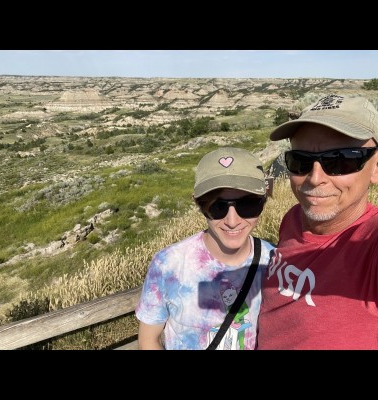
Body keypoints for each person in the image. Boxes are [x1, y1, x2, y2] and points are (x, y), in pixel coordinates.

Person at [257, 94, 378, 350]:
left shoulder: (369, 245)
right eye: (299, 161)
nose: (315, 178)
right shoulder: (293, 218)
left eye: (341, 160)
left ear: (376, 168)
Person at [135, 147, 275, 350]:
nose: (232, 221)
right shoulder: (168, 264)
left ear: (264, 200)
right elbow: (148, 340)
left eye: (248, 205)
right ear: (199, 205)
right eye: (218, 207)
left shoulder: (274, 261)